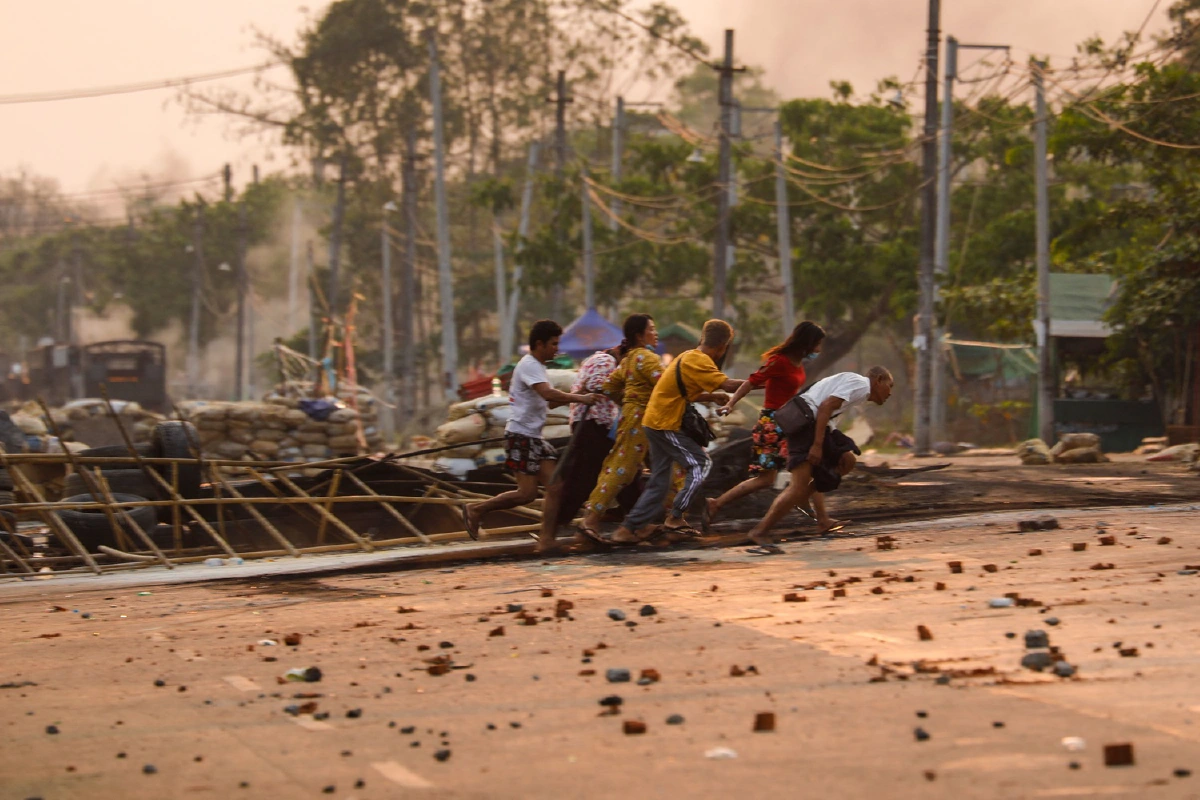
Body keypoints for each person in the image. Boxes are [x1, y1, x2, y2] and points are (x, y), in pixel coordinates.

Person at [463, 320, 602, 547]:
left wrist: (582, 392)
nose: (557, 349)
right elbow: (547, 394)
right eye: (554, 344)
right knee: (526, 494)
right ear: (540, 344)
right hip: (521, 436)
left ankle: (546, 540)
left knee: (555, 487)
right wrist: (581, 398)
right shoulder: (529, 365)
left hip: (534, 438)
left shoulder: (538, 368)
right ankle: (475, 509)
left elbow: (549, 403)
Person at [607, 319, 743, 545]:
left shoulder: (689, 356)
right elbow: (729, 385)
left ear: (702, 338)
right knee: (702, 464)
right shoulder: (700, 360)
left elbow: (682, 392)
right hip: (664, 423)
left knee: (660, 481)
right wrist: (763, 381)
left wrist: (710, 396)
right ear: (723, 346)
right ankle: (675, 517)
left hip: (654, 421)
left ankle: (628, 529)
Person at [743, 366, 894, 553]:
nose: (890, 393)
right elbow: (825, 406)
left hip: (812, 423)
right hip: (806, 425)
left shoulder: (858, 389)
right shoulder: (861, 385)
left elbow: (825, 407)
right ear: (878, 380)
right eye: (890, 385)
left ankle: (818, 516)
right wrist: (817, 444)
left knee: (846, 460)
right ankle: (760, 531)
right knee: (798, 486)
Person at [703, 321, 827, 529]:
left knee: (795, 471)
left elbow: (777, 385)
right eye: (817, 344)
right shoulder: (779, 361)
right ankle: (716, 503)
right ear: (807, 342)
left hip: (789, 421)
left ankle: (716, 503)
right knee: (781, 474)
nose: (819, 349)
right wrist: (731, 404)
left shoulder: (797, 363)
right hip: (773, 424)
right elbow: (752, 381)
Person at [574, 314, 685, 544]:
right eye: (651, 329)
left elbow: (608, 386)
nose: (655, 333)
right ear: (639, 335)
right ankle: (590, 520)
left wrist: (626, 401)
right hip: (643, 423)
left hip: (640, 420)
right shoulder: (647, 358)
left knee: (670, 470)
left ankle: (671, 521)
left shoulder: (628, 360)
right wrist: (707, 392)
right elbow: (669, 385)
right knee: (621, 470)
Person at [535, 344, 623, 552]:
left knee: (616, 472)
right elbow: (597, 385)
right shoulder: (606, 361)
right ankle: (554, 529)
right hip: (592, 424)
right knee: (583, 478)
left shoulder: (601, 359)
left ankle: (624, 520)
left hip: (599, 425)